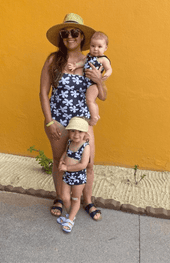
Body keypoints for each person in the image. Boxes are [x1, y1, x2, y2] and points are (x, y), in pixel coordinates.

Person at [40, 13, 107, 222]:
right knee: (59, 160)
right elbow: (43, 93)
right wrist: (49, 121)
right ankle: (60, 197)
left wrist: (99, 79)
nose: (70, 36)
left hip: (82, 123)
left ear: (82, 37)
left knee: (88, 164)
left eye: (75, 32)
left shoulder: (92, 61)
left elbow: (102, 96)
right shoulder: (53, 59)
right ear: (62, 37)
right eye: (65, 33)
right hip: (58, 119)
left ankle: (87, 200)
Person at [68, 31, 112, 125]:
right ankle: (94, 114)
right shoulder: (88, 56)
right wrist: (75, 66)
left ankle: (94, 116)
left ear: (105, 48)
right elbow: (82, 63)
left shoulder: (103, 59)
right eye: (93, 46)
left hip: (93, 83)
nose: (95, 49)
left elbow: (109, 69)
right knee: (89, 100)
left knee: (90, 100)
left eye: (99, 47)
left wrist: (105, 75)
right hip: (86, 83)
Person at [56, 117, 91, 233]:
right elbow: (65, 153)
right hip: (67, 176)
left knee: (75, 199)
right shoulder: (70, 142)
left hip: (78, 178)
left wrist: (67, 167)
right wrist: (61, 161)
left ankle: (70, 219)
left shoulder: (85, 147)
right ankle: (71, 215)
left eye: (80, 132)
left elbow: (83, 165)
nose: (76, 135)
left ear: (85, 133)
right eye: (73, 131)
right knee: (65, 197)